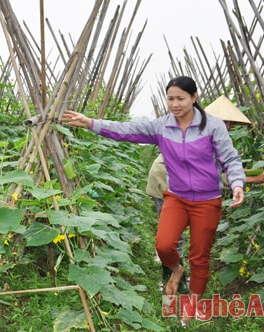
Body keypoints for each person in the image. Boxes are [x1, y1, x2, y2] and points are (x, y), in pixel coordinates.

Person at [62, 76, 246, 320]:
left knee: (200, 254)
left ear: (194, 97)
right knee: (163, 244)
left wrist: (237, 183)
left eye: (180, 98)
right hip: (177, 197)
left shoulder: (212, 126)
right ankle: (176, 269)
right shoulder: (162, 126)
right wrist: (91, 123)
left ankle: (193, 301)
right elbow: (126, 130)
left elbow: (230, 158)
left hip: (207, 200)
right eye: (170, 98)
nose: (175, 104)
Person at [146, 95, 264, 287]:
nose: (229, 128)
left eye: (230, 124)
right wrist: (251, 178)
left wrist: (245, 174)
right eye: (227, 123)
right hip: (165, 181)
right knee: (174, 237)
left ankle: (174, 275)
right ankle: (172, 278)